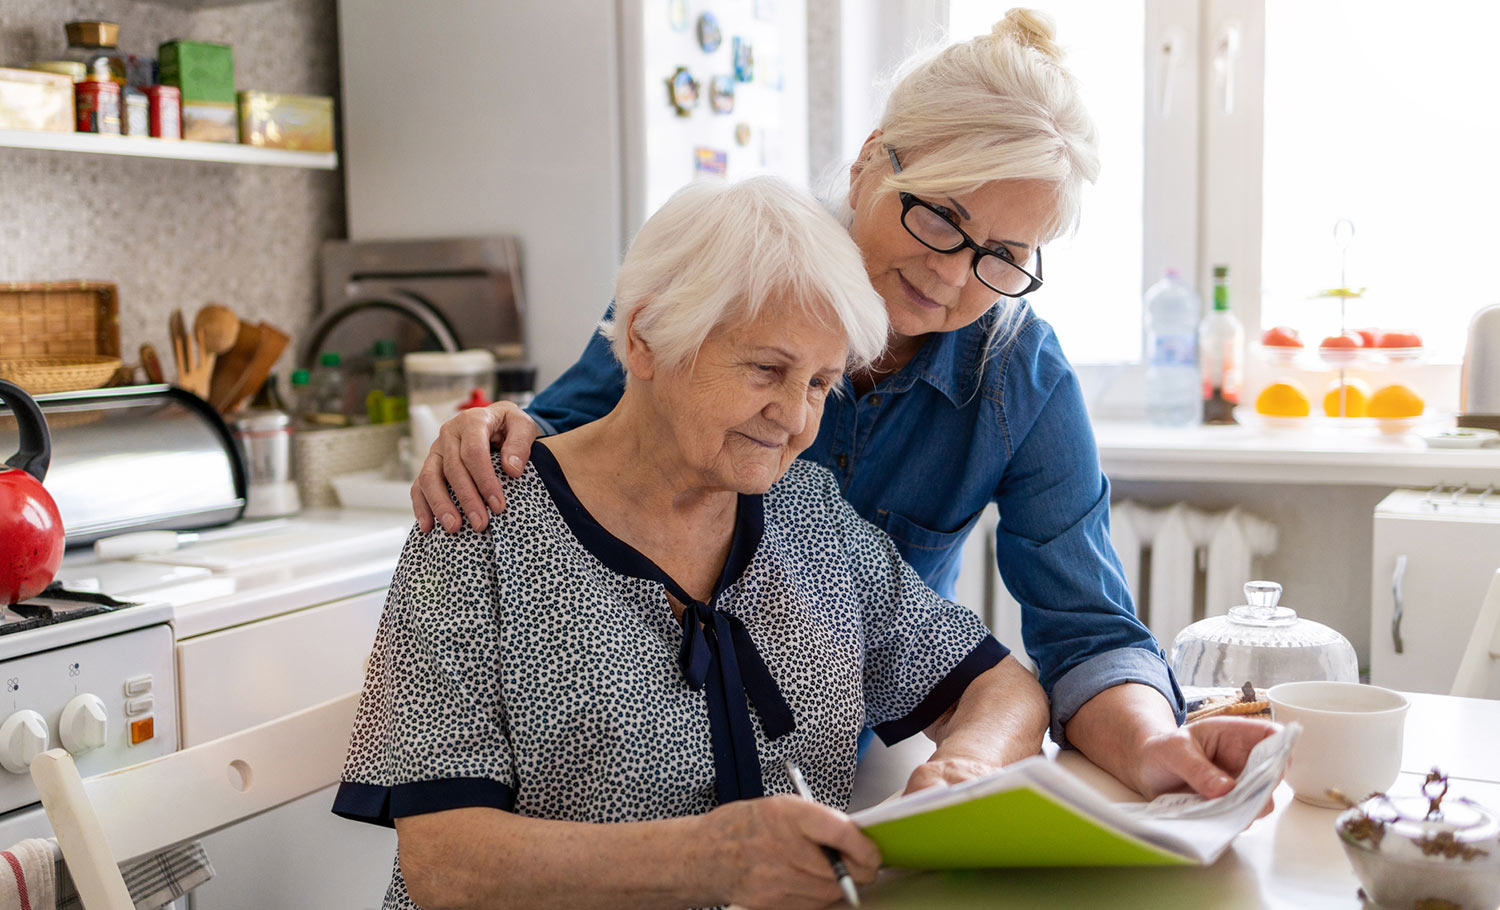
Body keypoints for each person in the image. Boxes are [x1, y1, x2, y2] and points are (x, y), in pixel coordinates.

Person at [409, 9, 1279, 805]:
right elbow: (565, 448)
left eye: (1003, 254)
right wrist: (492, 429)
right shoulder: (729, 275)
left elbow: (1086, 633)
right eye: (941, 216)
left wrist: (1157, 745)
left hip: (835, 764)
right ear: (870, 162)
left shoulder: (1020, 375)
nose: (949, 273)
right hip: (631, 766)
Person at [336, 176, 1052, 910]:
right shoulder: (482, 521)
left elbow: (1002, 690)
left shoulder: (810, 517)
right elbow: (445, 864)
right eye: (768, 369)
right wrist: (714, 859)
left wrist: (966, 767)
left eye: (819, 384)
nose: (794, 420)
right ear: (646, 338)